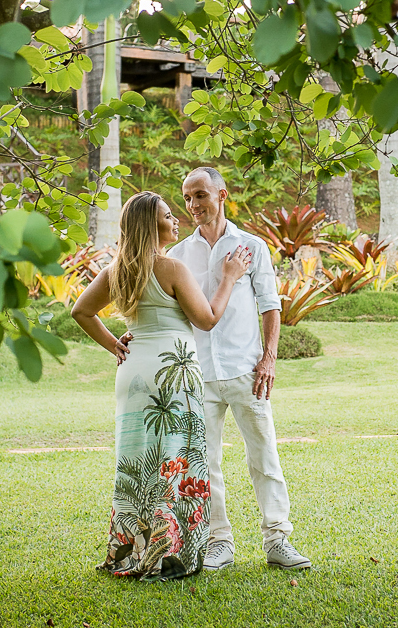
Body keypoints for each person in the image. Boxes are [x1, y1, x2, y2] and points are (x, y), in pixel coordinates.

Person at [71, 191, 251, 581]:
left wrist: (114, 345)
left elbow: (81, 311)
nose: (176, 220)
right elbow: (207, 319)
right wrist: (230, 277)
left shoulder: (117, 270)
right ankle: (170, 554)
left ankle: (130, 551)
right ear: (151, 226)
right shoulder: (171, 268)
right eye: (169, 216)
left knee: (138, 462)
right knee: (175, 459)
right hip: (174, 373)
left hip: (134, 372)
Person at [167, 167, 312, 571]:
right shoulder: (178, 256)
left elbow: (270, 304)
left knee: (264, 457)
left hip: (247, 370)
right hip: (198, 375)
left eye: (200, 195)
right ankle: (219, 543)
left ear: (222, 194)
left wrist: (269, 359)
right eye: (187, 197)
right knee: (205, 463)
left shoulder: (252, 246)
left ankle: (277, 539)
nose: (193, 205)